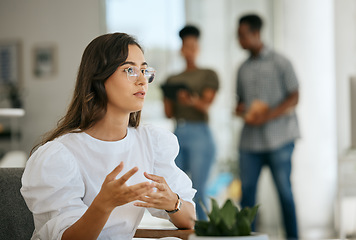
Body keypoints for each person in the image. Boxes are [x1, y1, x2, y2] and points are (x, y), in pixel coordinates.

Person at [20, 32, 196, 240]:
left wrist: (172, 203)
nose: (142, 80)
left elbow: (190, 220)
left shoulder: (151, 142)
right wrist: (103, 205)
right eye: (129, 70)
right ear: (99, 79)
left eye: (144, 70)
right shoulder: (60, 155)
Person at [235, 14, 300, 239]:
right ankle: (247, 237)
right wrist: (241, 110)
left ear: (255, 33)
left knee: (284, 193)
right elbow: (240, 103)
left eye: (242, 35)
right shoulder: (242, 68)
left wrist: (268, 115)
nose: (239, 40)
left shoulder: (281, 62)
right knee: (247, 196)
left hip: (279, 139)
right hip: (250, 143)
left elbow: (294, 96)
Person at [162, 25, 219, 220]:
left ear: (198, 48)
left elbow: (206, 105)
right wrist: (168, 96)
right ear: (181, 49)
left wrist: (190, 99)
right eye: (187, 46)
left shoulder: (208, 74)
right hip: (178, 132)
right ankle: (182, 229)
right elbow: (168, 113)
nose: (190, 50)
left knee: (198, 189)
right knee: (175, 188)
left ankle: (201, 232)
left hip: (199, 133)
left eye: (194, 46)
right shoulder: (172, 78)